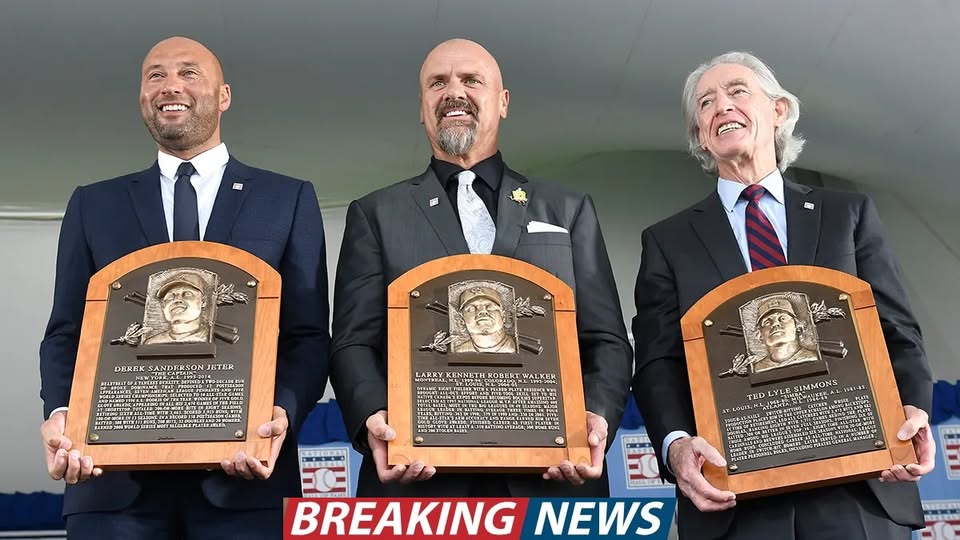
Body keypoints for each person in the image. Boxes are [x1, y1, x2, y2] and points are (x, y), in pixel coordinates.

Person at [630, 51, 936, 539]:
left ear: (778, 110)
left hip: (860, 486)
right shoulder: (668, 241)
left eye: (737, 92)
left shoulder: (847, 215)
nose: (721, 106)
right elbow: (657, 362)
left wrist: (914, 410)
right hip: (737, 502)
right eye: (706, 103)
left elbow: (896, 330)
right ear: (701, 136)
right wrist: (676, 445)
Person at [38, 36, 330, 538]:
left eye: (189, 73)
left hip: (246, 486)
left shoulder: (287, 198)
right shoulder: (94, 204)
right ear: (142, 98)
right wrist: (63, 414)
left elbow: (307, 335)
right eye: (155, 75)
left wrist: (279, 412)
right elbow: (67, 331)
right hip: (110, 488)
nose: (170, 85)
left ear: (224, 95)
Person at [331, 38, 632, 497]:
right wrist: (374, 417)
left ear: (503, 102)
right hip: (422, 483)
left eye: (471, 80)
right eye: (437, 83)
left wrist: (594, 417)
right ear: (422, 108)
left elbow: (606, 338)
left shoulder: (567, 209)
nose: (454, 92)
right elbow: (353, 340)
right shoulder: (375, 214)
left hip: (551, 476)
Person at [750, 296, 818, 373]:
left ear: (798, 327)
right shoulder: (758, 368)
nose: (775, 324)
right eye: (767, 322)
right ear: (760, 336)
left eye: (783, 318)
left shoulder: (812, 357)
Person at [144, 271, 211, 345]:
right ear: (163, 306)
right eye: (170, 296)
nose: (177, 300)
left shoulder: (210, 337)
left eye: (187, 294)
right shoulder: (151, 343)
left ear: (203, 301)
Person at [453, 286, 517, 353]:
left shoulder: (516, 347)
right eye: (472, 308)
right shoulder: (459, 350)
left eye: (490, 307)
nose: (482, 311)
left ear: (503, 316)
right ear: (461, 319)